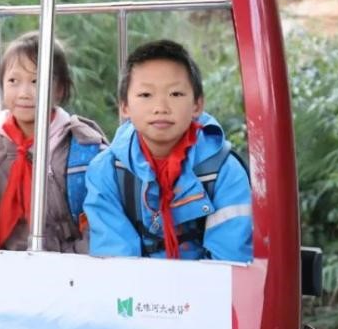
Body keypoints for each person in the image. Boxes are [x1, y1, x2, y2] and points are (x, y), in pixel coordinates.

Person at [84, 39, 252, 261]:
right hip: (131, 293)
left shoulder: (223, 172)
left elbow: (230, 265)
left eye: (175, 94)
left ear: (197, 105)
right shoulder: (106, 171)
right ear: (124, 107)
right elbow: (116, 263)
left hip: (205, 293)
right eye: (145, 95)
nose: (161, 107)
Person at [0, 32, 107, 252]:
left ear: (59, 89)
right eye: (13, 81)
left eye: (36, 81)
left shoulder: (84, 148)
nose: (24, 93)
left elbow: (102, 220)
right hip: (2, 268)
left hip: (69, 267)